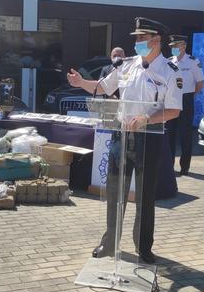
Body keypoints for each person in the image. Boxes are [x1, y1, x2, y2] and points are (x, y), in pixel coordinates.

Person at [67, 17, 183, 264]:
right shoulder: (126, 65)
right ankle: (109, 243)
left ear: (157, 40)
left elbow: (173, 110)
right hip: (122, 134)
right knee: (114, 192)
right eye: (137, 38)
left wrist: (146, 119)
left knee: (144, 195)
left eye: (142, 38)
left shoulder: (170, 71)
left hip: (149, 139)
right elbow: (102, 87)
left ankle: (144, 247)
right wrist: (80, 83)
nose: (138, 42)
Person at [166, 35, 204, 176]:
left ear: (184, 46)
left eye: (176, 45)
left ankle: (185, 167)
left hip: (186, 99)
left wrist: (189, 96)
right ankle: (169, 165)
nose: (173, 48)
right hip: (171, 99)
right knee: (170, 133)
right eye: (172, 46)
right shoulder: (169, 62)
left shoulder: (193, 62)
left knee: (185, 134)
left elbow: (200, 84)